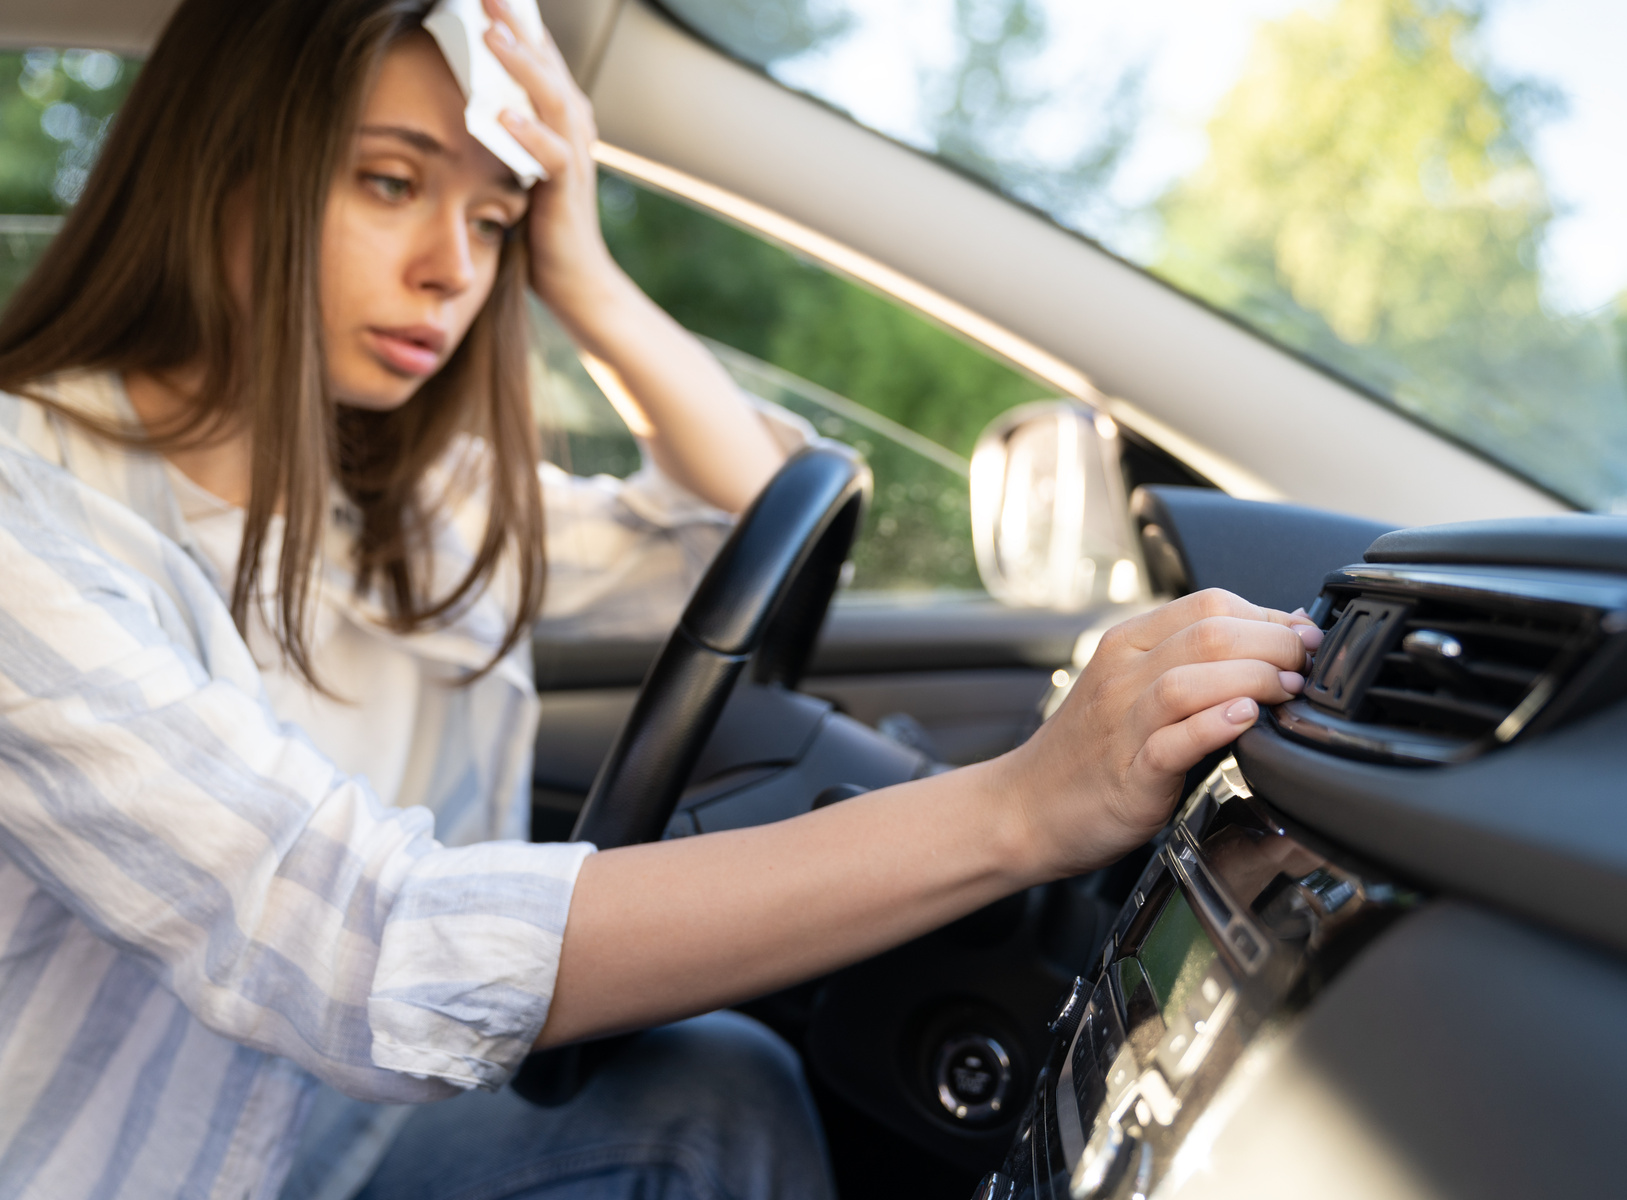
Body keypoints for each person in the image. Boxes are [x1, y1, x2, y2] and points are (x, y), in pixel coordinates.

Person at [0, 0, 1322, 1196]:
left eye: (491, 220)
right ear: (217, 171)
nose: (451, 271)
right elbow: (363, 945)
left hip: (345, 1135)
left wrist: (580, 267)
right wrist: (1023, 808)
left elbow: (756, 520)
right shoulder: (26, 513)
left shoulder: (411, 509)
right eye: (392, 182)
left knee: (717, 1095)